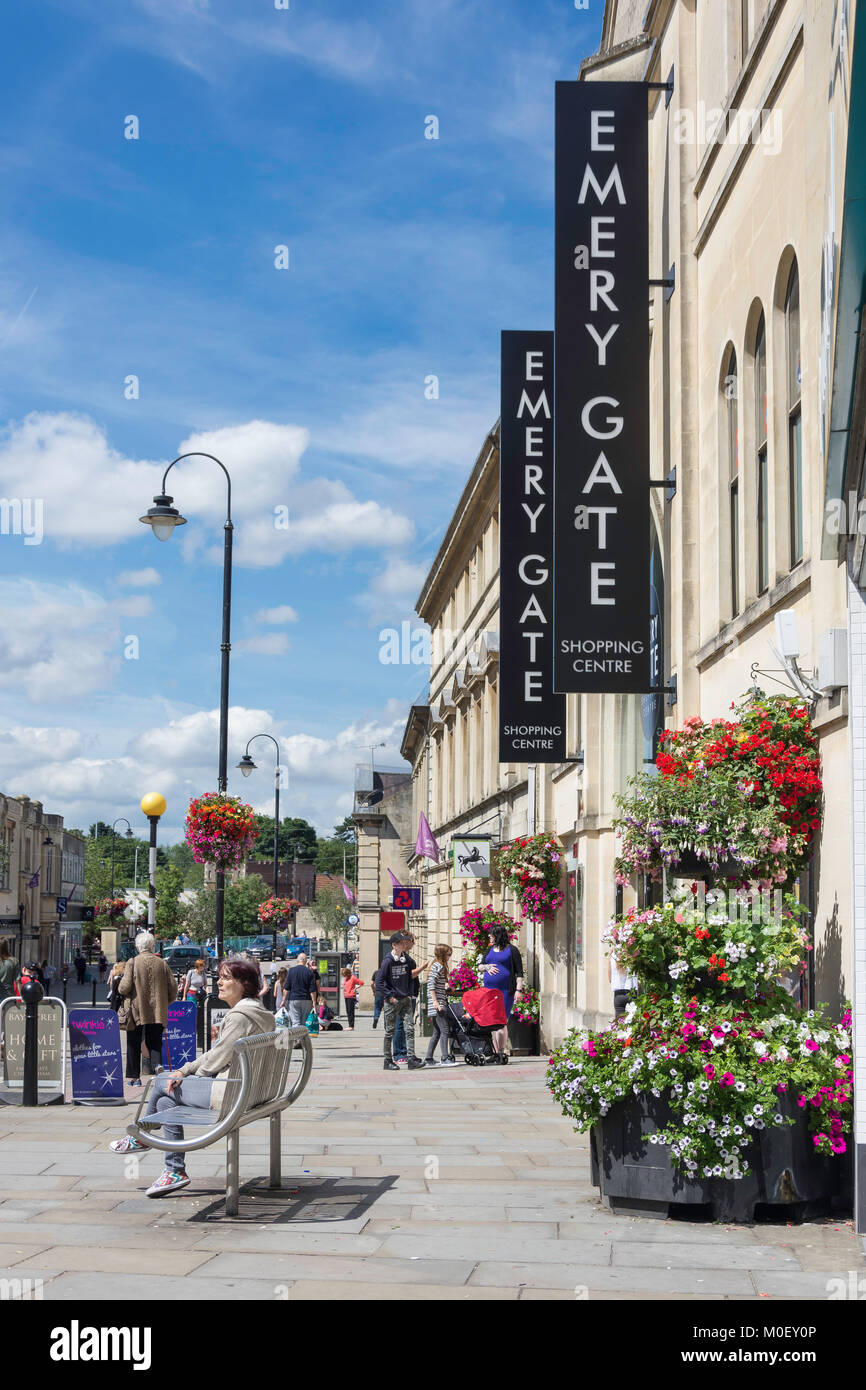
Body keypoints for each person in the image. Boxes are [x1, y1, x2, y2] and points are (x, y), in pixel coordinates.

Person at [109, 958, 274, 1197]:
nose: (219, 981)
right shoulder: (258, 1012)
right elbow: (217, 1055)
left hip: (230, 1093)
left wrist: (184, 1072)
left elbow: (214, 1062)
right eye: (220, 976)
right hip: (251, 1090)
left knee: (160, 1081)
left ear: (244, 984)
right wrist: (185, 1071)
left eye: (226, 978)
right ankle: (174, 1171)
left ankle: (142, 1134)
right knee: (166, 1102)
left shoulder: (239, 1017)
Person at [117, 931, 179, 1088]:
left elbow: (124, 988)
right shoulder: (162, 964)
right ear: (153, 946)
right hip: (158, 1011)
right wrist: (164, 1003)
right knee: (155, 1043)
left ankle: (134, 1078)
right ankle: (158, 1071)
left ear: (138, 947)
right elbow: (173, 989)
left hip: (137, 1010)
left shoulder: (133, 962)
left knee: (133, 1043)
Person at [377, 932, 427, 1071]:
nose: (405, 945)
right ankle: (388, 1060)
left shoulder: (406, 960)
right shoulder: (388, 961)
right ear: (394, 945)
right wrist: (389, 995)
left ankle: (411, 1058)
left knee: (409, 1029)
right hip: (392, 1001)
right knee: (390, 1031)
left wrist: (410, 994)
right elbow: (379, 982)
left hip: (405, 999)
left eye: (406, 943)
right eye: (401, 943)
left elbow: (410, 977)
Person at [479, 924, 524, 1063]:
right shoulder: (489, 949)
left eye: (491, 935)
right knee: (492, 1022)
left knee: (502, 1021)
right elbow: (480, 966)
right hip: (489, 991)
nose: (489, 937)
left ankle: (501, 1052)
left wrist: (518, 990)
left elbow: (519, 972)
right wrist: (487, 967)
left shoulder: (512, 950)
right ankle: (494, 1051)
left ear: (498, 935)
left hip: (506, 991)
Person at [392, 932, 428, 1061]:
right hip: (403, 995)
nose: (413, 944)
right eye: (412, 941)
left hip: (409, 994)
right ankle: (399, 1054)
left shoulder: (405, 957)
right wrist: (422, 967)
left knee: (406, 1026)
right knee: (400, 1025)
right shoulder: (397, 958)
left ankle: (407, 1053)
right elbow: (409, 975)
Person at [424, 944, 455, 1067]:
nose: (449, 957)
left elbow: (436, 984)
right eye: (448, 954)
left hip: (436, 1003)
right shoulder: (439, 966)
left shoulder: (436, 966)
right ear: (442, 955)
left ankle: (429, 1058)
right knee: (445, 1031)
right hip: (438, 1004)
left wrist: (446, 987)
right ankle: (444, 1057)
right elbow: (430, 985)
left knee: (437, 1032)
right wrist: (436, 1002)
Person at [285, 952, 320, 1028]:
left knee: (295, 1022)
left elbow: (287, 988)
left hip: (293, 999)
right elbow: (312, 990)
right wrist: (314, 1002)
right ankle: (302, 1039)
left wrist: (283, 1000)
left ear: (297, 960)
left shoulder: (291, 971)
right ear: (305, 961)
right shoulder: (309, 972)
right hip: (306, 1000)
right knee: (304, 1022)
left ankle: (296, 1039)